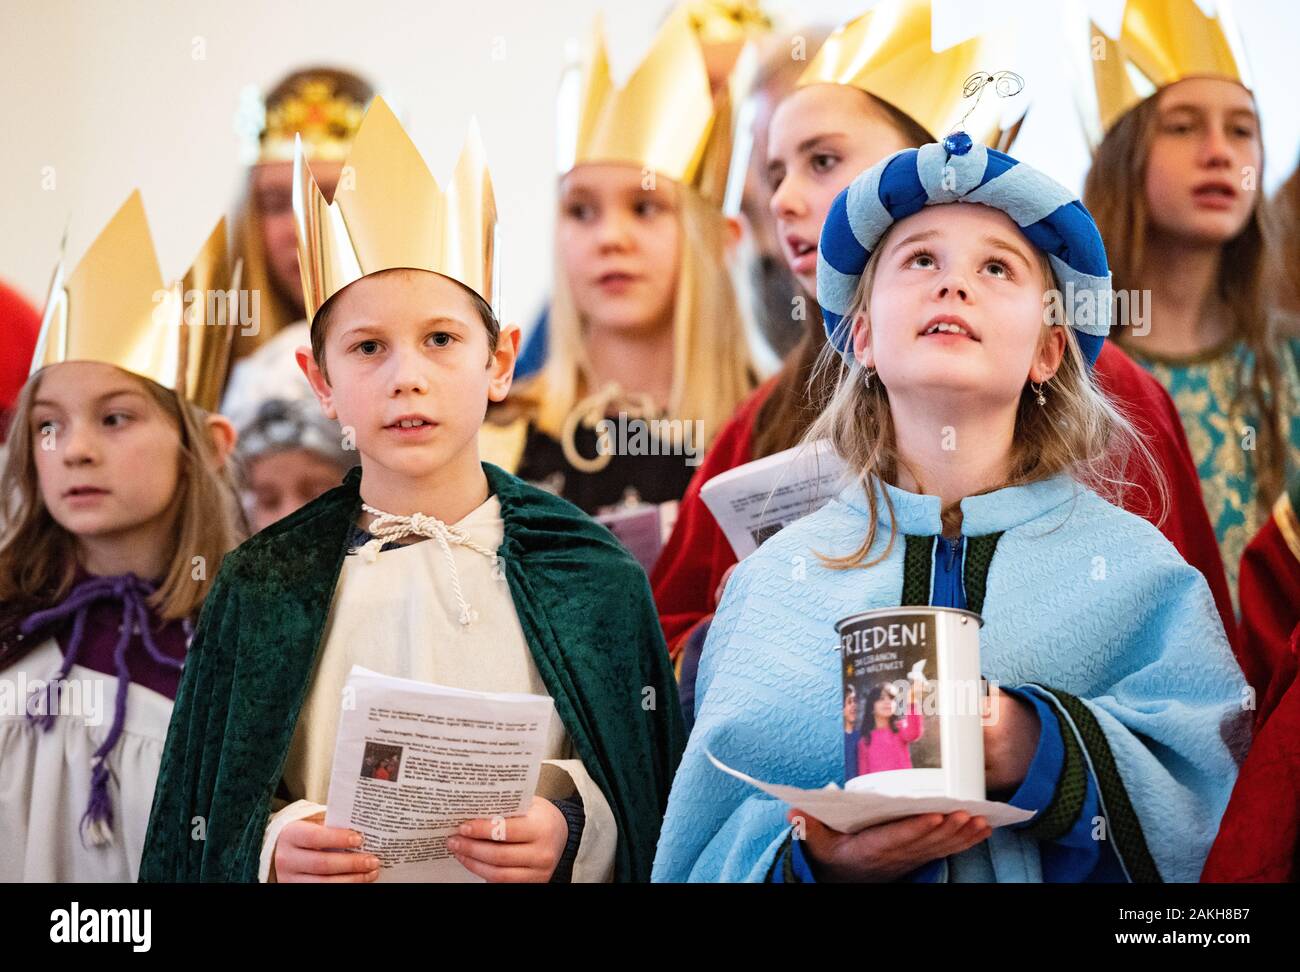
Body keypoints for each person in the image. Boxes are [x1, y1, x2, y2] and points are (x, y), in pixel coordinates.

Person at [652, 136, 1248, 884]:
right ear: (862, 336)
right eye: (920, 261)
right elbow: (701, 840)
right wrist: (818, 858)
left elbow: (1215, 798)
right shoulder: (772, 584)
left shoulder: (1137, 572)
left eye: (996, 267)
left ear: (1049, 352)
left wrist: (1032, 744)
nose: (953, 285)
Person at [140, 99, 684, 884]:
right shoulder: (266, 585)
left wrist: (570, 826)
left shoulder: (589, 575)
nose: (408, 378)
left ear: (499, 362)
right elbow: (203, 821)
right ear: (320, 381)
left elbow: (651, 804)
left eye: (440, 339)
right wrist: (271, 848)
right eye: (368, 347)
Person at [652, 0, 1235, 726]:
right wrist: (760, 623)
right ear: (861, 335)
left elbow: (1190, 693)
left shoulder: (1109, 390)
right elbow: (673, 663)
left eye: (823, 160)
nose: (786, 200)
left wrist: (1045, 745)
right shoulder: (765, 417)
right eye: (773, 172)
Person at [0, 193, 242, 881]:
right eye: (49, 424)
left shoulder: (238, 645)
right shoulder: (9, 627)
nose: (74, 450)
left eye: (114, 419)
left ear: (210, 446)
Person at [480, 8, 755, 520]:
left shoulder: (770, 432)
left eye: (645, 207)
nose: (609, 237)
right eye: (580, 210)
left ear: (717, 238)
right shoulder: (491, 435)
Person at [1082, 0, 1300, 609]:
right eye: (1182, 126)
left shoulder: (1294, 363)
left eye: (1241, 130)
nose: (1219, 153)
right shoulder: (1069, 370)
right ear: (1125, 157)